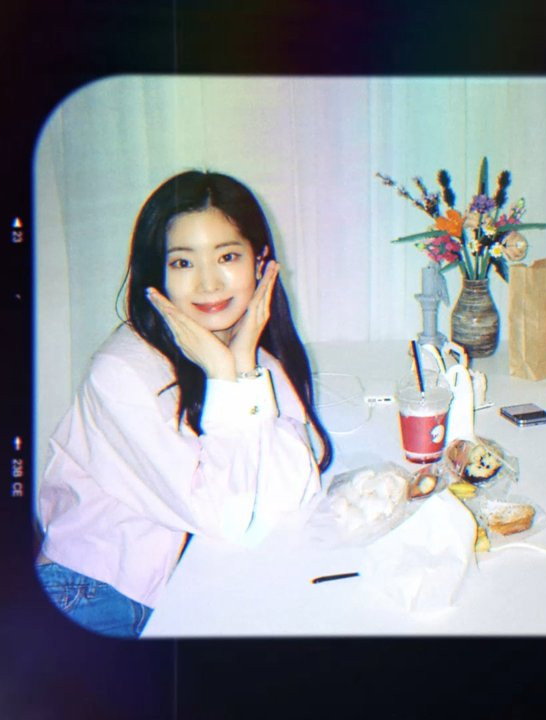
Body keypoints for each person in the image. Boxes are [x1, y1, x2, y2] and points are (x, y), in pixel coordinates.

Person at [35, 170, 332, 638]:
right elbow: (226, 518)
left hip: (181, 581)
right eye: (183, 263)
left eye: (227, 256)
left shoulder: (245, 349)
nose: (208, 283)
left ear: (260, 263)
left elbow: (298, 479)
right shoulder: (122, 373)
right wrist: (225, 375)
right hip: (95, 594)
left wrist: (240, 366)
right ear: (158, 275)